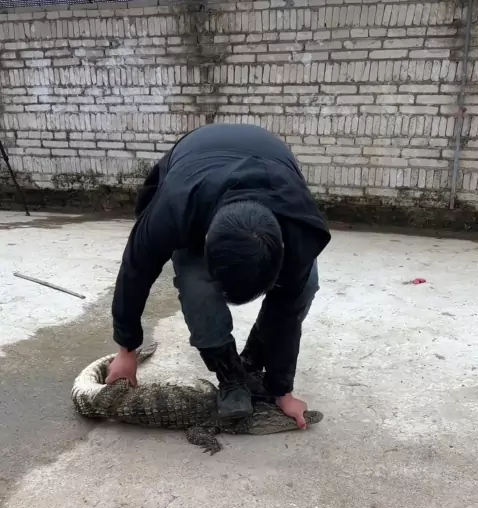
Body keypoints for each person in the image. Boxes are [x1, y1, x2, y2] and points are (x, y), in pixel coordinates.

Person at [107, 122, 331, 428]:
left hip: (269, 167)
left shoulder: (301, 228)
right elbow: (135, 271)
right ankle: (231, 377)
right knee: (197, 287)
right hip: (195, 167)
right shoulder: (173, 209)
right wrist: (126, 349)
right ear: (206, 244)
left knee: (305, 285)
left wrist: (282, 390)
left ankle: (252, 361)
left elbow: (288, 310)